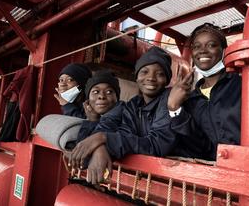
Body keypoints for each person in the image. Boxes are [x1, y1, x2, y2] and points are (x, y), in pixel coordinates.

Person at [69, 46, 177, 184]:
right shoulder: (134, 104)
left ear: (167, 80)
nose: (151, 78)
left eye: (160, 74)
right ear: (136, 76)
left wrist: (102, 138)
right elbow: (124, 134)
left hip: (173, 178)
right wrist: (99, 146)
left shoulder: (168, 99)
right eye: (144, 71)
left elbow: (157, 145)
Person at [168, 23, 242, 160]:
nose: (202, 50)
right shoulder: (190, 99)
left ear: (224, 51)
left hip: (245, 171)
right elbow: (197, 147)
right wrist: (175, 109)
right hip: (208, 174)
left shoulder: (241, 86)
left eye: (211, 45)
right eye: (196, 46)